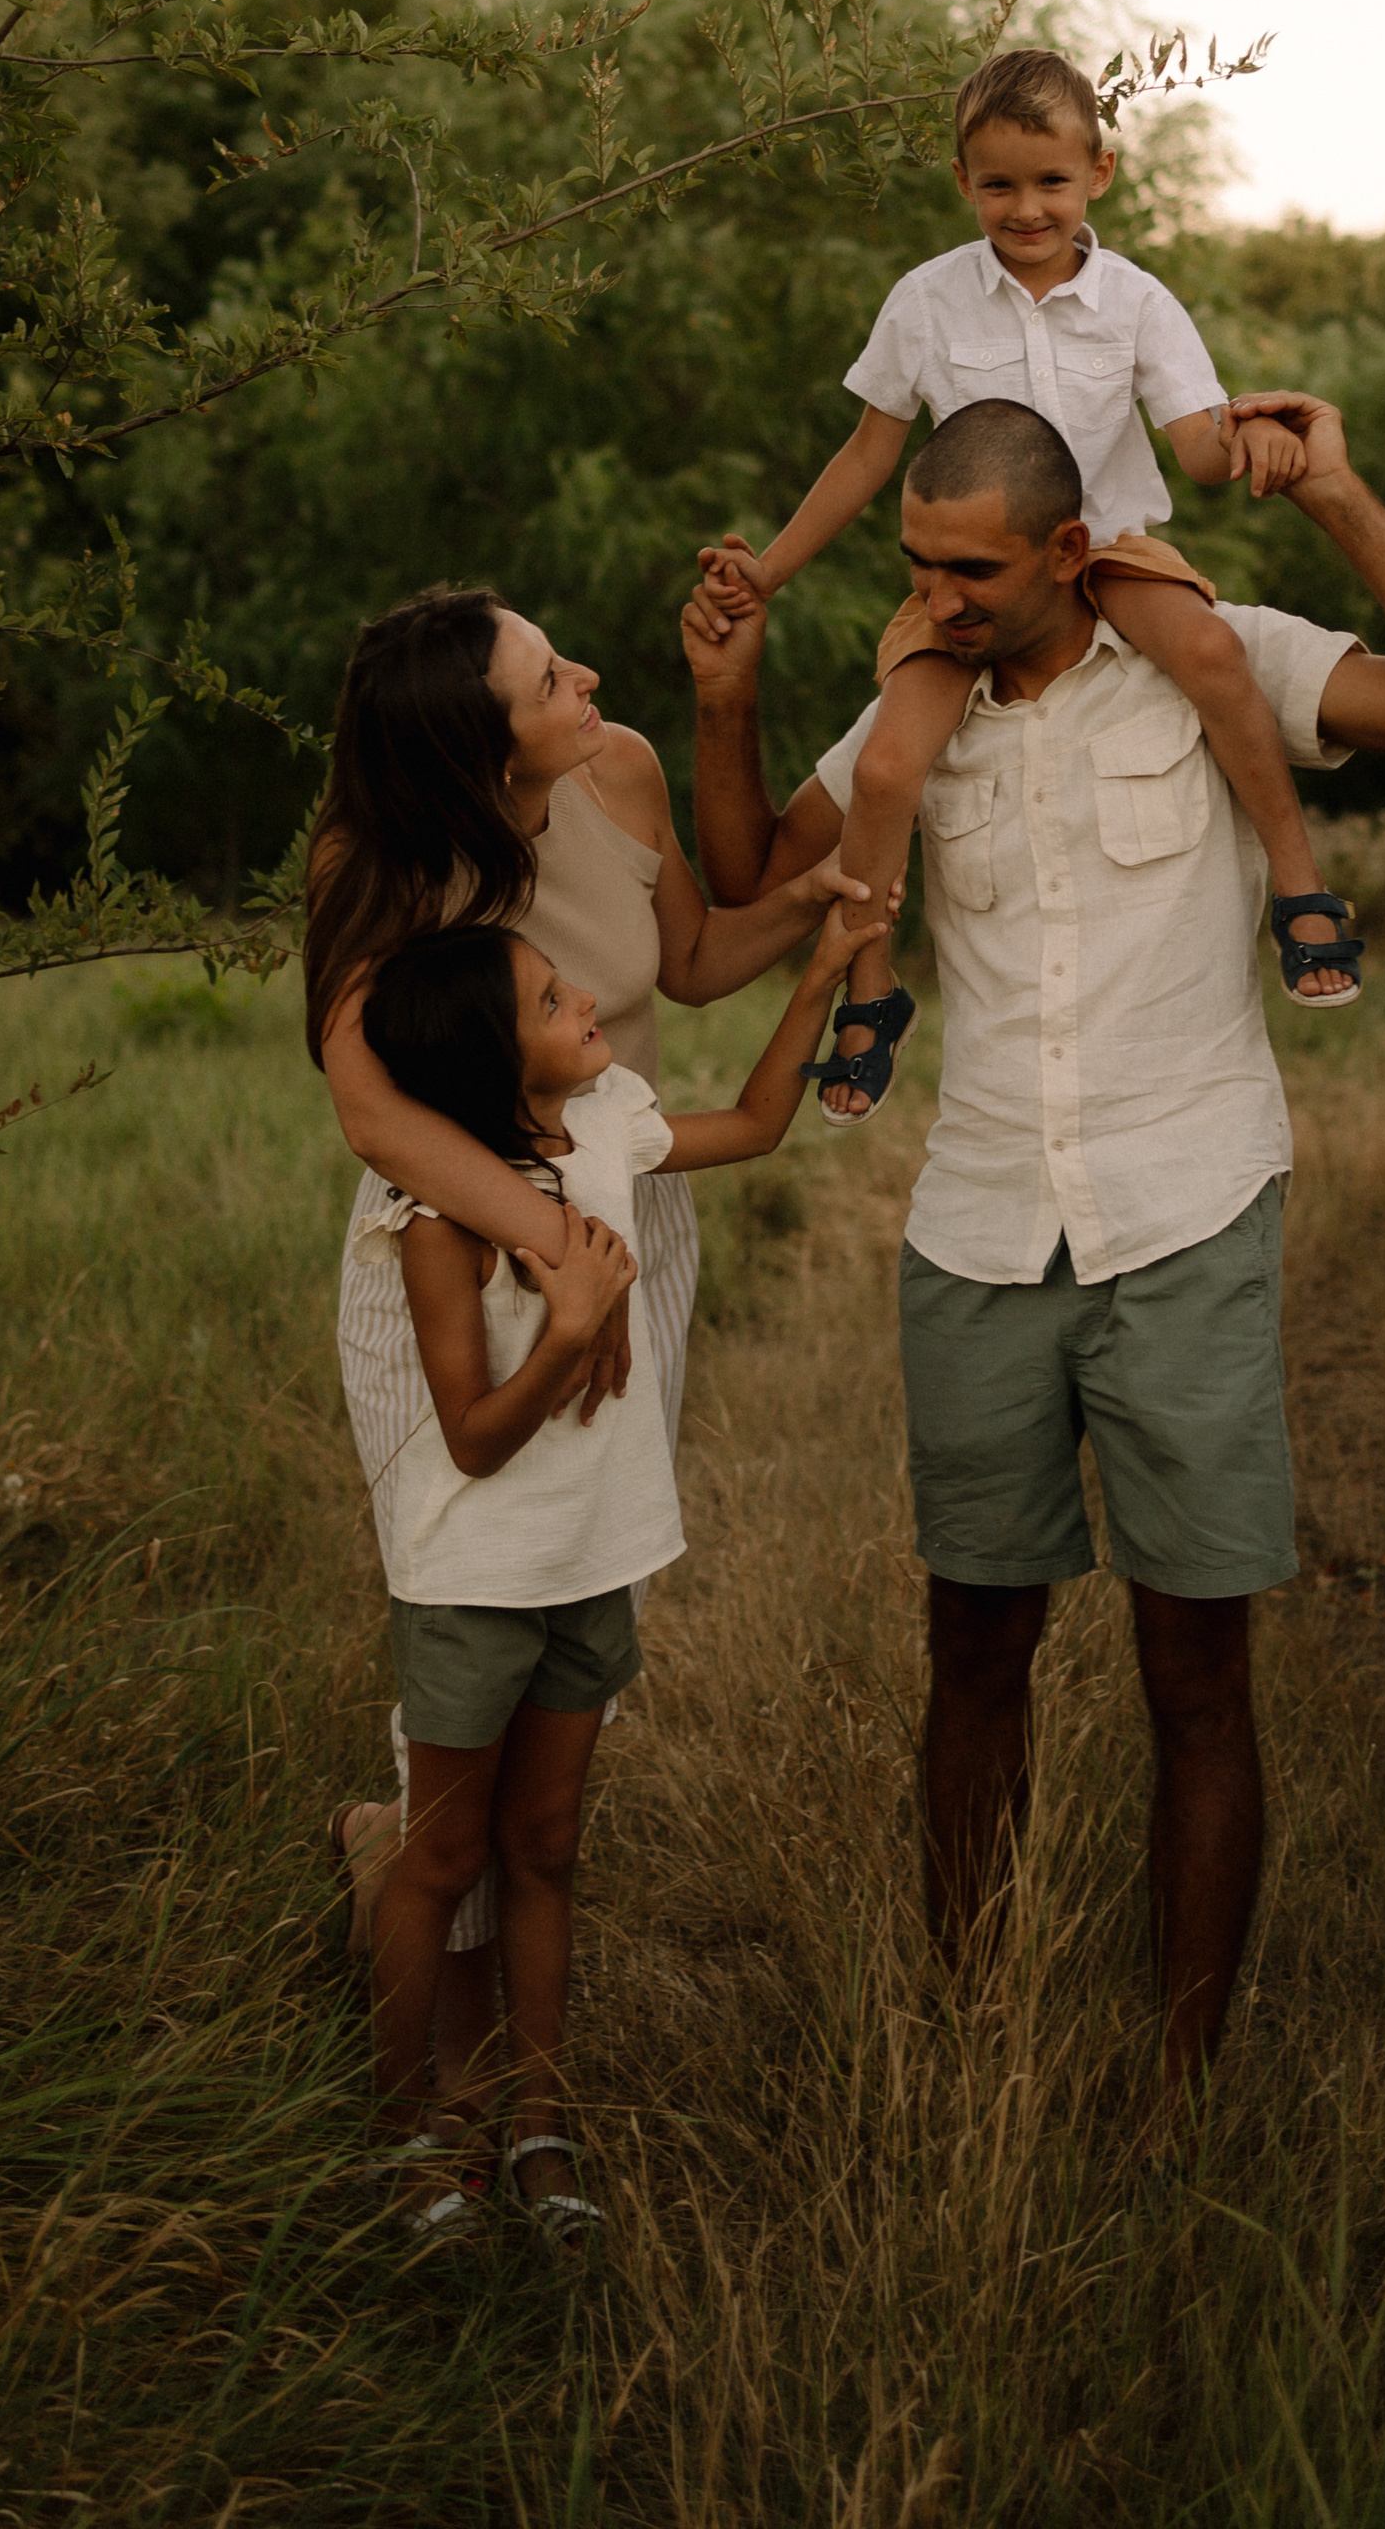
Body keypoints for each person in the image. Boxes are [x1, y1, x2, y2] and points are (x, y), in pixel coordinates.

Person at [685, 389, 1385, 2118]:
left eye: (973, 569)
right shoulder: (910, 713)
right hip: (984, 1231)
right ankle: (964, 2035)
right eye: (918, 566)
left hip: (1186, 1215)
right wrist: (725, 704)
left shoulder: (1215, 657)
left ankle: (1183, 2080)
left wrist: (1342, 498)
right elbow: (727, 895)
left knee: (1194, 1672)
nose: (935, 599)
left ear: (1070, 549)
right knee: (973, 1650)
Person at [306, 585, 866, 2119]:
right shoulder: (372, 857)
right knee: (472, 1575)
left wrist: (820, 905)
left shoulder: (616, 767)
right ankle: (456, 2045)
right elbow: (373, 1106)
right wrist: (554, 1256)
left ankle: (467, 1946)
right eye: (550, 678)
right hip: (452, 1239)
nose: (591, 681)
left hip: (627, 1214)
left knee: (578, 1579)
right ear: (471, 747)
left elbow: (685, 961)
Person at [347, 895, 884, 2245]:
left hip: (595, 1557)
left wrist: (820, 971)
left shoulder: (606, 1126)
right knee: (443, 1852)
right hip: (475, 1574)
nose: (583, 1000)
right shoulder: (437, 1217)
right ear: (487, 1056)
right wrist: (570, 1325)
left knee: (545, 1846)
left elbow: (755, 1127)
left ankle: (537, 2119)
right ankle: (410, 2131)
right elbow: (471, 1437)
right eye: (545, 1002)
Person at [694, 43, 1362, 1125]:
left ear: (1099, 170)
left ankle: (1296, 880)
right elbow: (869, 453)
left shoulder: (1138, 304)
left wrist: (1257, 444)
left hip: (1104, 552)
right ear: (962, 182)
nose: (1025, 207)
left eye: (1050, 181)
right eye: (998, 184)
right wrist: (765, 570)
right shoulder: (925, 302)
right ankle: (872, 983)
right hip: (973, 579)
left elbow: (1194, 446)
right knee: (886, 769)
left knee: (1208, 654)